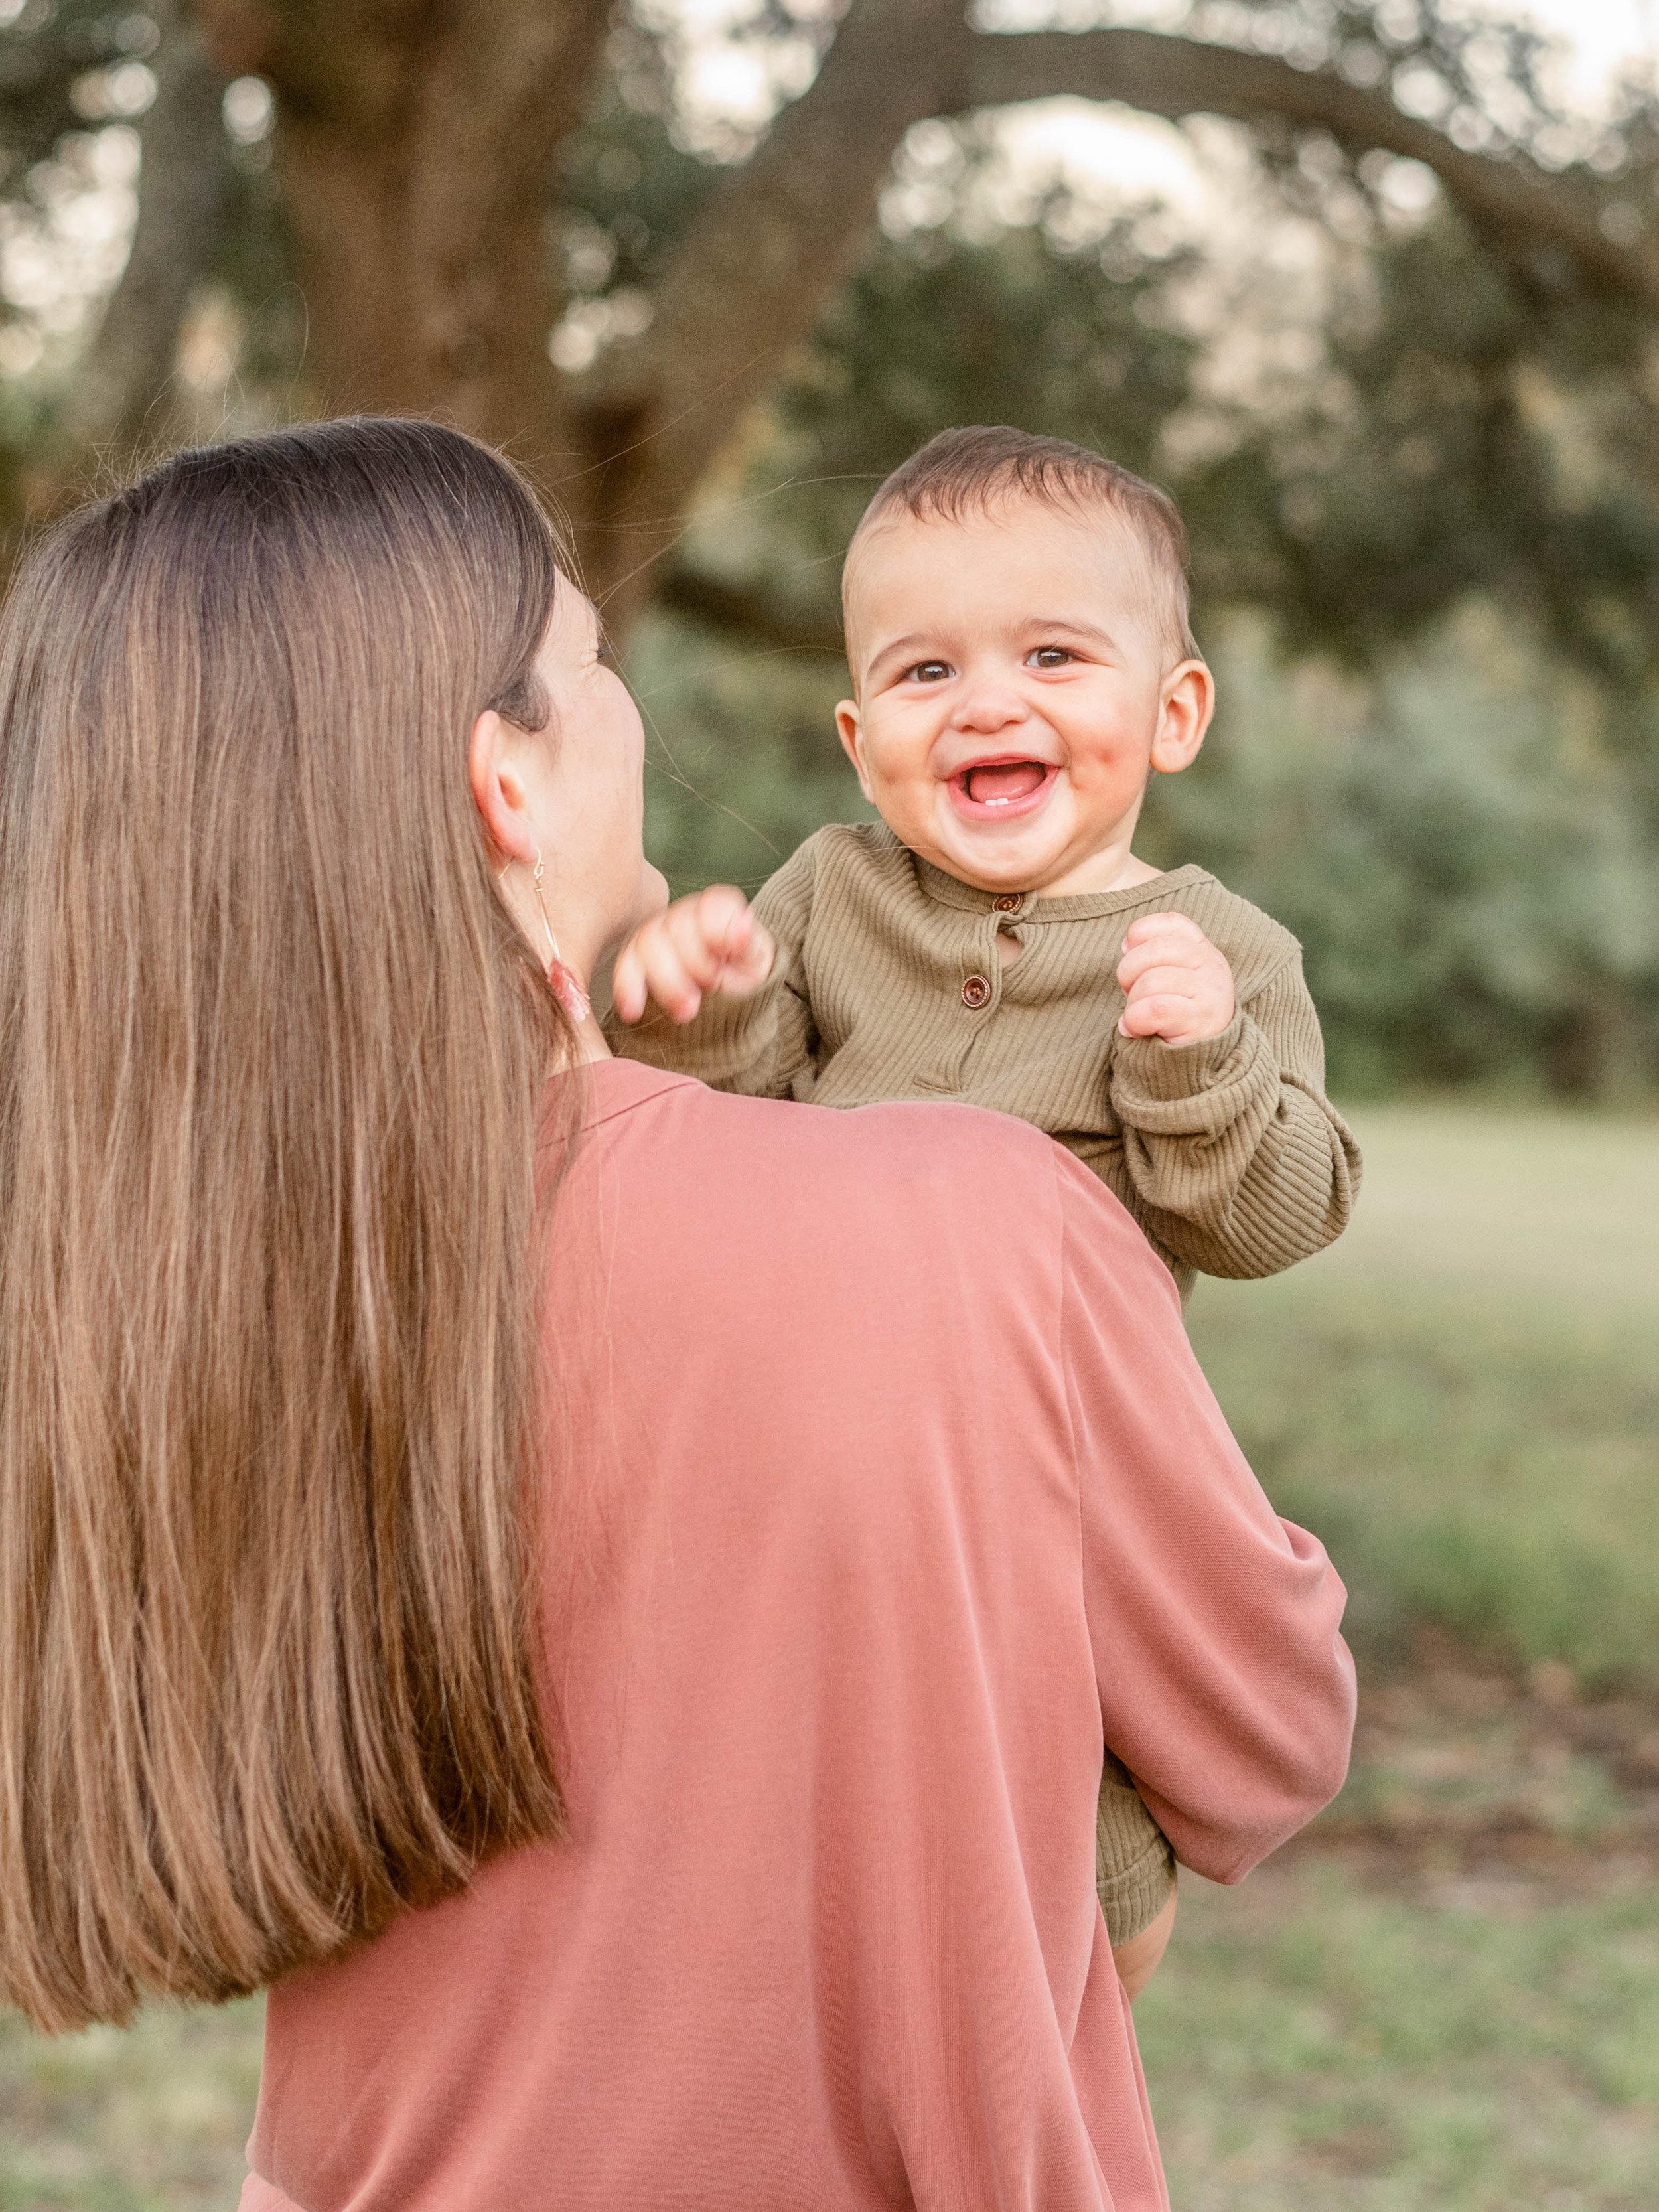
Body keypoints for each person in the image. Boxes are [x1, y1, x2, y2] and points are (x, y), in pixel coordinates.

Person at [0, 418, 1354, 2212]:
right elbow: (1267, 1731)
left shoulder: (181, 1311)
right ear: (509, 785)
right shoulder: (982, 1218)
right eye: (597, 659)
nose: (632, 710)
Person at [610, 423, 1364, 1953]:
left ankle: (1079, 2021)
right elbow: (731, 1125)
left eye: (1051, 655)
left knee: (1062, 1802)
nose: (986, 703)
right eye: (924, 672)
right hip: (808, 1460)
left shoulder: (1217, 951)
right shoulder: (829, 893)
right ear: (856, 732)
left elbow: (1280, 1212)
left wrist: (1199, 1058)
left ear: (1172, 713)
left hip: (1052, 1478)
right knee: (817, 1759)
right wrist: (702, 1002)